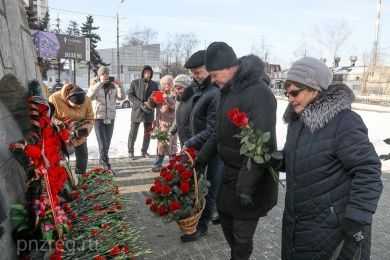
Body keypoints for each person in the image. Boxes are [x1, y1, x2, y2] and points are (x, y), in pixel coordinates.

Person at [280, 57, 383, 260]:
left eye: (295, 92)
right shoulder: (298, 121)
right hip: (298, 224)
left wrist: (358, 215)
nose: (290, 98)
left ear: (315, 88)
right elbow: (298, 159)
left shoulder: (344, 121)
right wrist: (272, 158)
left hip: (332, 228)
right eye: (287, 93)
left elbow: (368, 169)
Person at [196, 42, 278, 259]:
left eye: (214, 74)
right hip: (229, 178)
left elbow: (263, 145)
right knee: (229, 231)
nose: (212, 80)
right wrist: (201, 158)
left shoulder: (259, 93)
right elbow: (218, 133)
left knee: (241, 241)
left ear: (229, 67)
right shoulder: (227, 90)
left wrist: (246, 186)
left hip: (250, 183)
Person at [180, 50, 223, 242]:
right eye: (193, 74)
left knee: (210, 187)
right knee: (199, 186)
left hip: (213, 151)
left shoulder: (214, 93)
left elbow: (213, 129)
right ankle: (198, 219)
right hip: (199, 147)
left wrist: (190, 142)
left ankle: (203, 225)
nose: (195, 77)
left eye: (198, 72)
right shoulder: (199, 89)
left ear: (209, 69)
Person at [49, 83, 94, 174]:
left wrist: (83, 131)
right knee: (59, 158)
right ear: (67, 99)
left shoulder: (87, 100)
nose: (78, 107)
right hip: (60, 134)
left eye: (80, 105)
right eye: (75, 104)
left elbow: (90, 119)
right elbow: (50, 118)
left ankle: (80, 175)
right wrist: (61, 125)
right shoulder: (54, 98)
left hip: (79, 132)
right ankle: (62, 179)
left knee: (83, 156)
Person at [87, 66, 125, 171]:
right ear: (99, 75)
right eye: (103, 74)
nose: (105, 76)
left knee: (107, 142)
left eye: (107, 74)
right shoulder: (94, 85)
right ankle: (105, 165)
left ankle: (102, 160)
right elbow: (90, 97)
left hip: (110, 118)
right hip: (98, 118)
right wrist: (100, 83)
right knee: (102, 143)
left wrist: (120, 85)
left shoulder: (113, 86)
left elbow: (122, 97)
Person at [127, 65, 159, 159]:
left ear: (151, 74)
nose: (147, 74)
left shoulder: (154, 84)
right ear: (142, 73)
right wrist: (141, 103)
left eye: (149, 72)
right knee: (133, 132)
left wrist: (151, 104)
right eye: (146, 72)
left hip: (149, 112)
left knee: (148, 133)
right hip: (137, 111)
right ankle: (130, 151)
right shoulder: (135, 83)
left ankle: (144, 151)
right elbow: (130, 95)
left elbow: (157, 98)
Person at [148, 75, 177, 172]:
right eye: (163, 84)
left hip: (170, 124)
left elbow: (174, 106)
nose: (164, 86)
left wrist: (167, 98)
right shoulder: (160, 93)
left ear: (171, 84)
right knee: (161, 144)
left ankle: (174, 165)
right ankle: (158, 164)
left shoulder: (174, 93)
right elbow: (152, 106)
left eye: (166, 84)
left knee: (170, 144)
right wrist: (151, 99)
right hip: (160, 123)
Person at [169, 74, 194, 146]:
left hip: (192, 140)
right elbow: (178, 119)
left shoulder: (194, 99)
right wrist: (171, 131)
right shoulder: (178, 100)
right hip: (183, 139)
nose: (177, 91)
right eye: (175, 88)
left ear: (187, 87)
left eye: (179, 88)